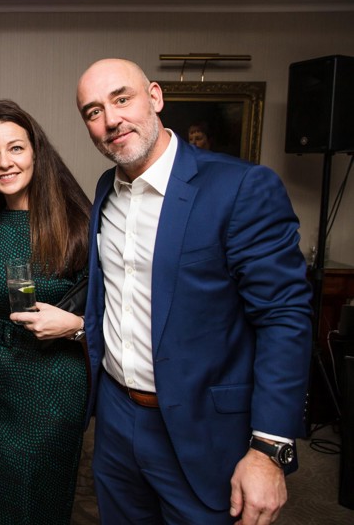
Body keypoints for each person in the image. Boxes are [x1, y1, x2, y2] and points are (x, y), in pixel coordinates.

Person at [75, 58, 311, 524]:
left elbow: (284, 318)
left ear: (156, 98)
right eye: (93, 111)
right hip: (117, 419)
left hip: (203, 428)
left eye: (122, 98)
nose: (111, 119)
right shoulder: (107, 188)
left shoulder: (240, 188)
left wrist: (268, 448)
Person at [0, 99, 90, 523]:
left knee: (37, 495)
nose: (3, 162)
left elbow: (120, 309)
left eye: (15, 148)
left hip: (54, 382)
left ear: (36, 153)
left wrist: (78, 326)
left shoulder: (78, 222)